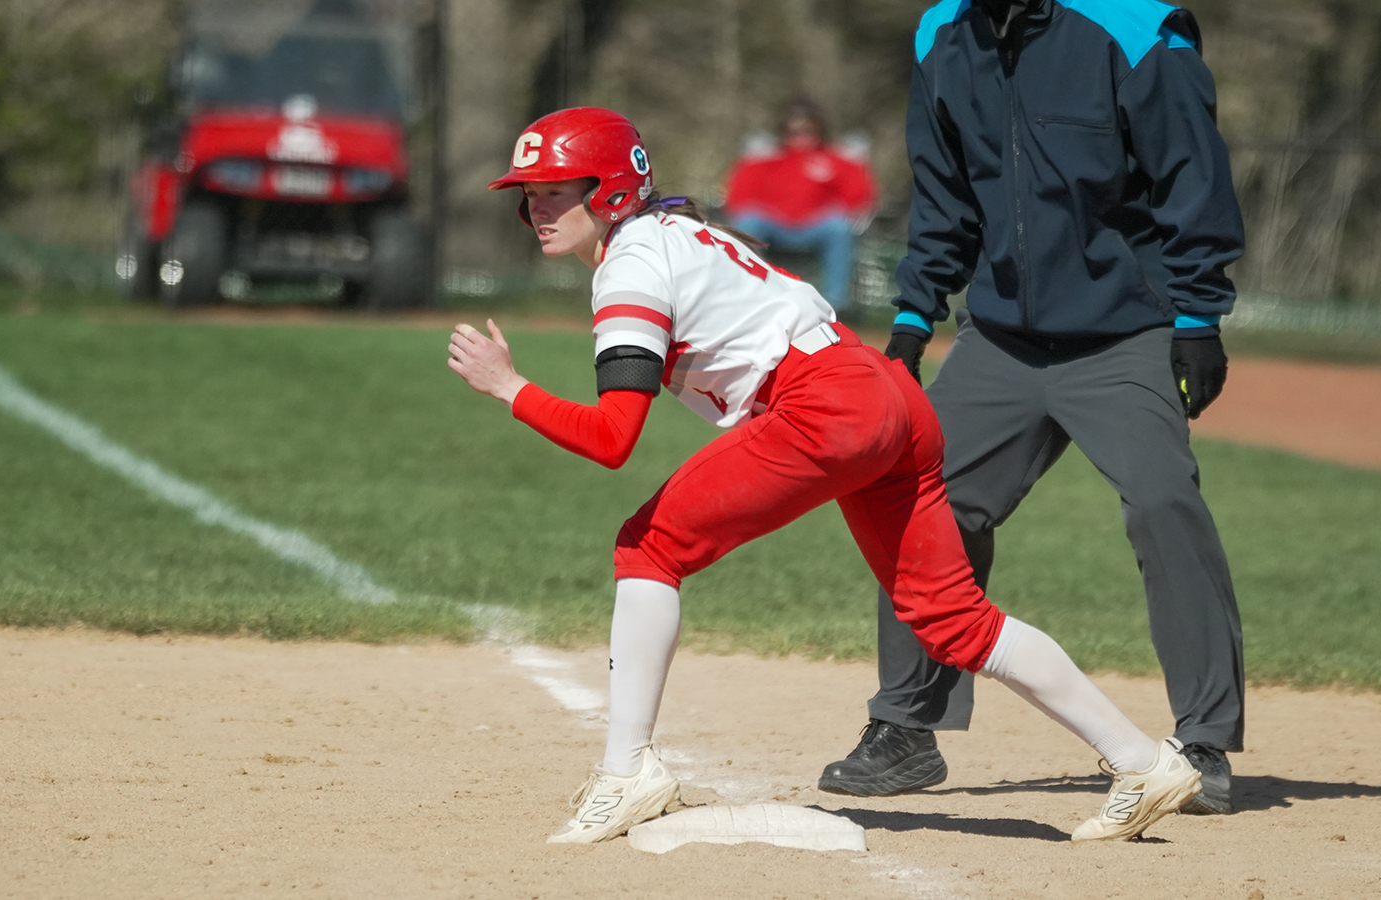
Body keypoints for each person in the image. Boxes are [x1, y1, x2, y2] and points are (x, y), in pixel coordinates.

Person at [448, 106, 1201, 845]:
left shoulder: (632, 266)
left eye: (553, 188)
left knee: (648, 548)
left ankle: (625, 774)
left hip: (828, 404)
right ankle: (1143, 761)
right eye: (528, 192)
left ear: (609, 190)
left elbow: (614, 437)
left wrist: (510, 388)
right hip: (885, 395)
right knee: (951, 617)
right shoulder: (676, 233)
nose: (534, 206)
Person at [818, 0, 1246, 817]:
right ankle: (907, 727)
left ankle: (1204, 739)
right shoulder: (941, 34)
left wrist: (1197, 318)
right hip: (1002, 335)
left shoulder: (1134, 30)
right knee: (919, 498)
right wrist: (915, 317)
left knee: (1163, 503)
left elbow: (1194, 176)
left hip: (1126, 330)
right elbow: (943, 190)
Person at [721, 98, 878, 310]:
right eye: (793, 130)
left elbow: (860, 197)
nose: (801, 136)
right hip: (773, 225)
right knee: (749, 221)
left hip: (817, 226)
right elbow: (738, 198)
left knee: (839, 227)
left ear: (820, 129)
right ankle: (750, 296)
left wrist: (837, 211)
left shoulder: (838, 158)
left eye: (808, 130)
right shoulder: (764, 158)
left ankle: (836, 304)